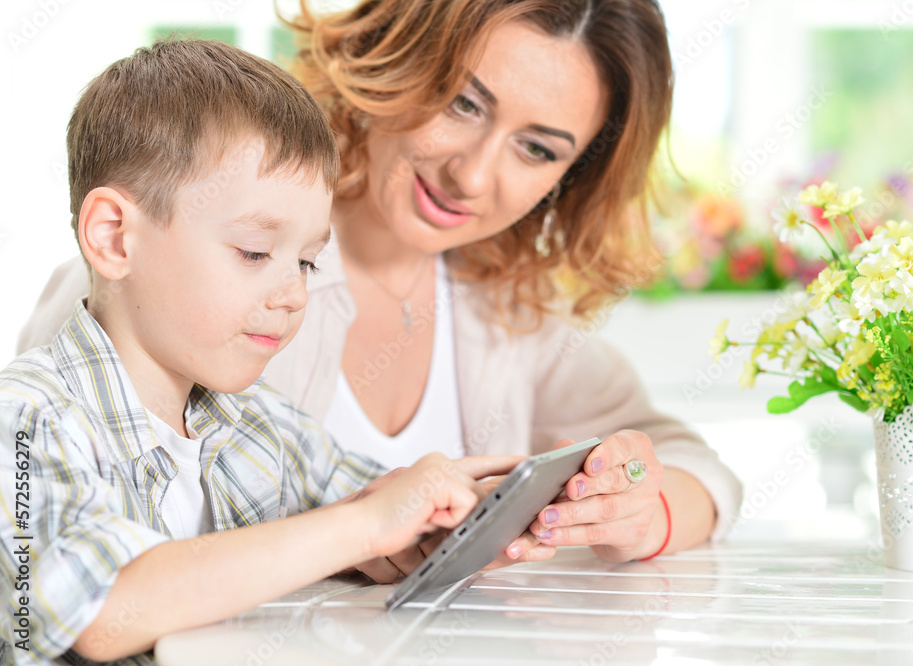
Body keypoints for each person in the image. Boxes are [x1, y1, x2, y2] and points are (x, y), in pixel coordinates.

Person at [18, 0, 743, 579]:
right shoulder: (179, 277)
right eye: (463, 103)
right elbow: (61, 576)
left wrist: (644, 510)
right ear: (393, 56)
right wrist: (358, 532)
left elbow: (695, 464)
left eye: (537, 148)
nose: (474, 176)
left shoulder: (503, 307)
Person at [0, 39, 523, 665]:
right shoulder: (27, 417)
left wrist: (456, 517)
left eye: (306, 261)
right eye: (254, 252)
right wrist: (360, 528)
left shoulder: (260, 425)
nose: (294, 293)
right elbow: (96, 610)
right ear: (115, 237)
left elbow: (369, 504)